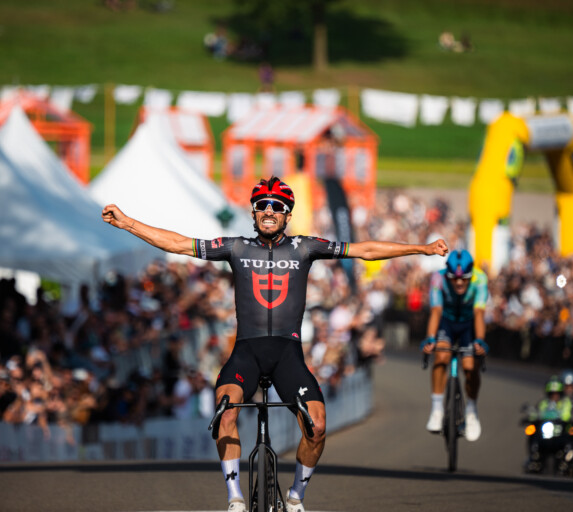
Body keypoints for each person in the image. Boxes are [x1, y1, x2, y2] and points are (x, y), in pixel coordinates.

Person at [102, 176, 449, 512]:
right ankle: (235, 498)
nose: (269, 210)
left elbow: (365, 250)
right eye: (262, 205)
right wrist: (128, 223)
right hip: (246, 353)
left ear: (288, 214)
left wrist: (421, 249)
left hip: (288, 356)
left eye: (277, 206)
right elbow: (178, 244)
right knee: (225, 412)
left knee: (317, 426)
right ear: (253, 212)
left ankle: (296, 496)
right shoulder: (236, 247)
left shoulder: (305, 247)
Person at [421, 249, 488, 441]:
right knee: (441, 356)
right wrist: (430, 338)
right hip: (446, 322)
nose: (459, 283)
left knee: (470, 366)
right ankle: (437, 408)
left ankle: (471, 410)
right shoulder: (438, 278)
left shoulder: (480, 279)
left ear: (471, 275)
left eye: (464, 279)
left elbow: (479, 314)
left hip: (469, 324)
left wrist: (480, 340)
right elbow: (436, 311)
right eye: (454, 279)